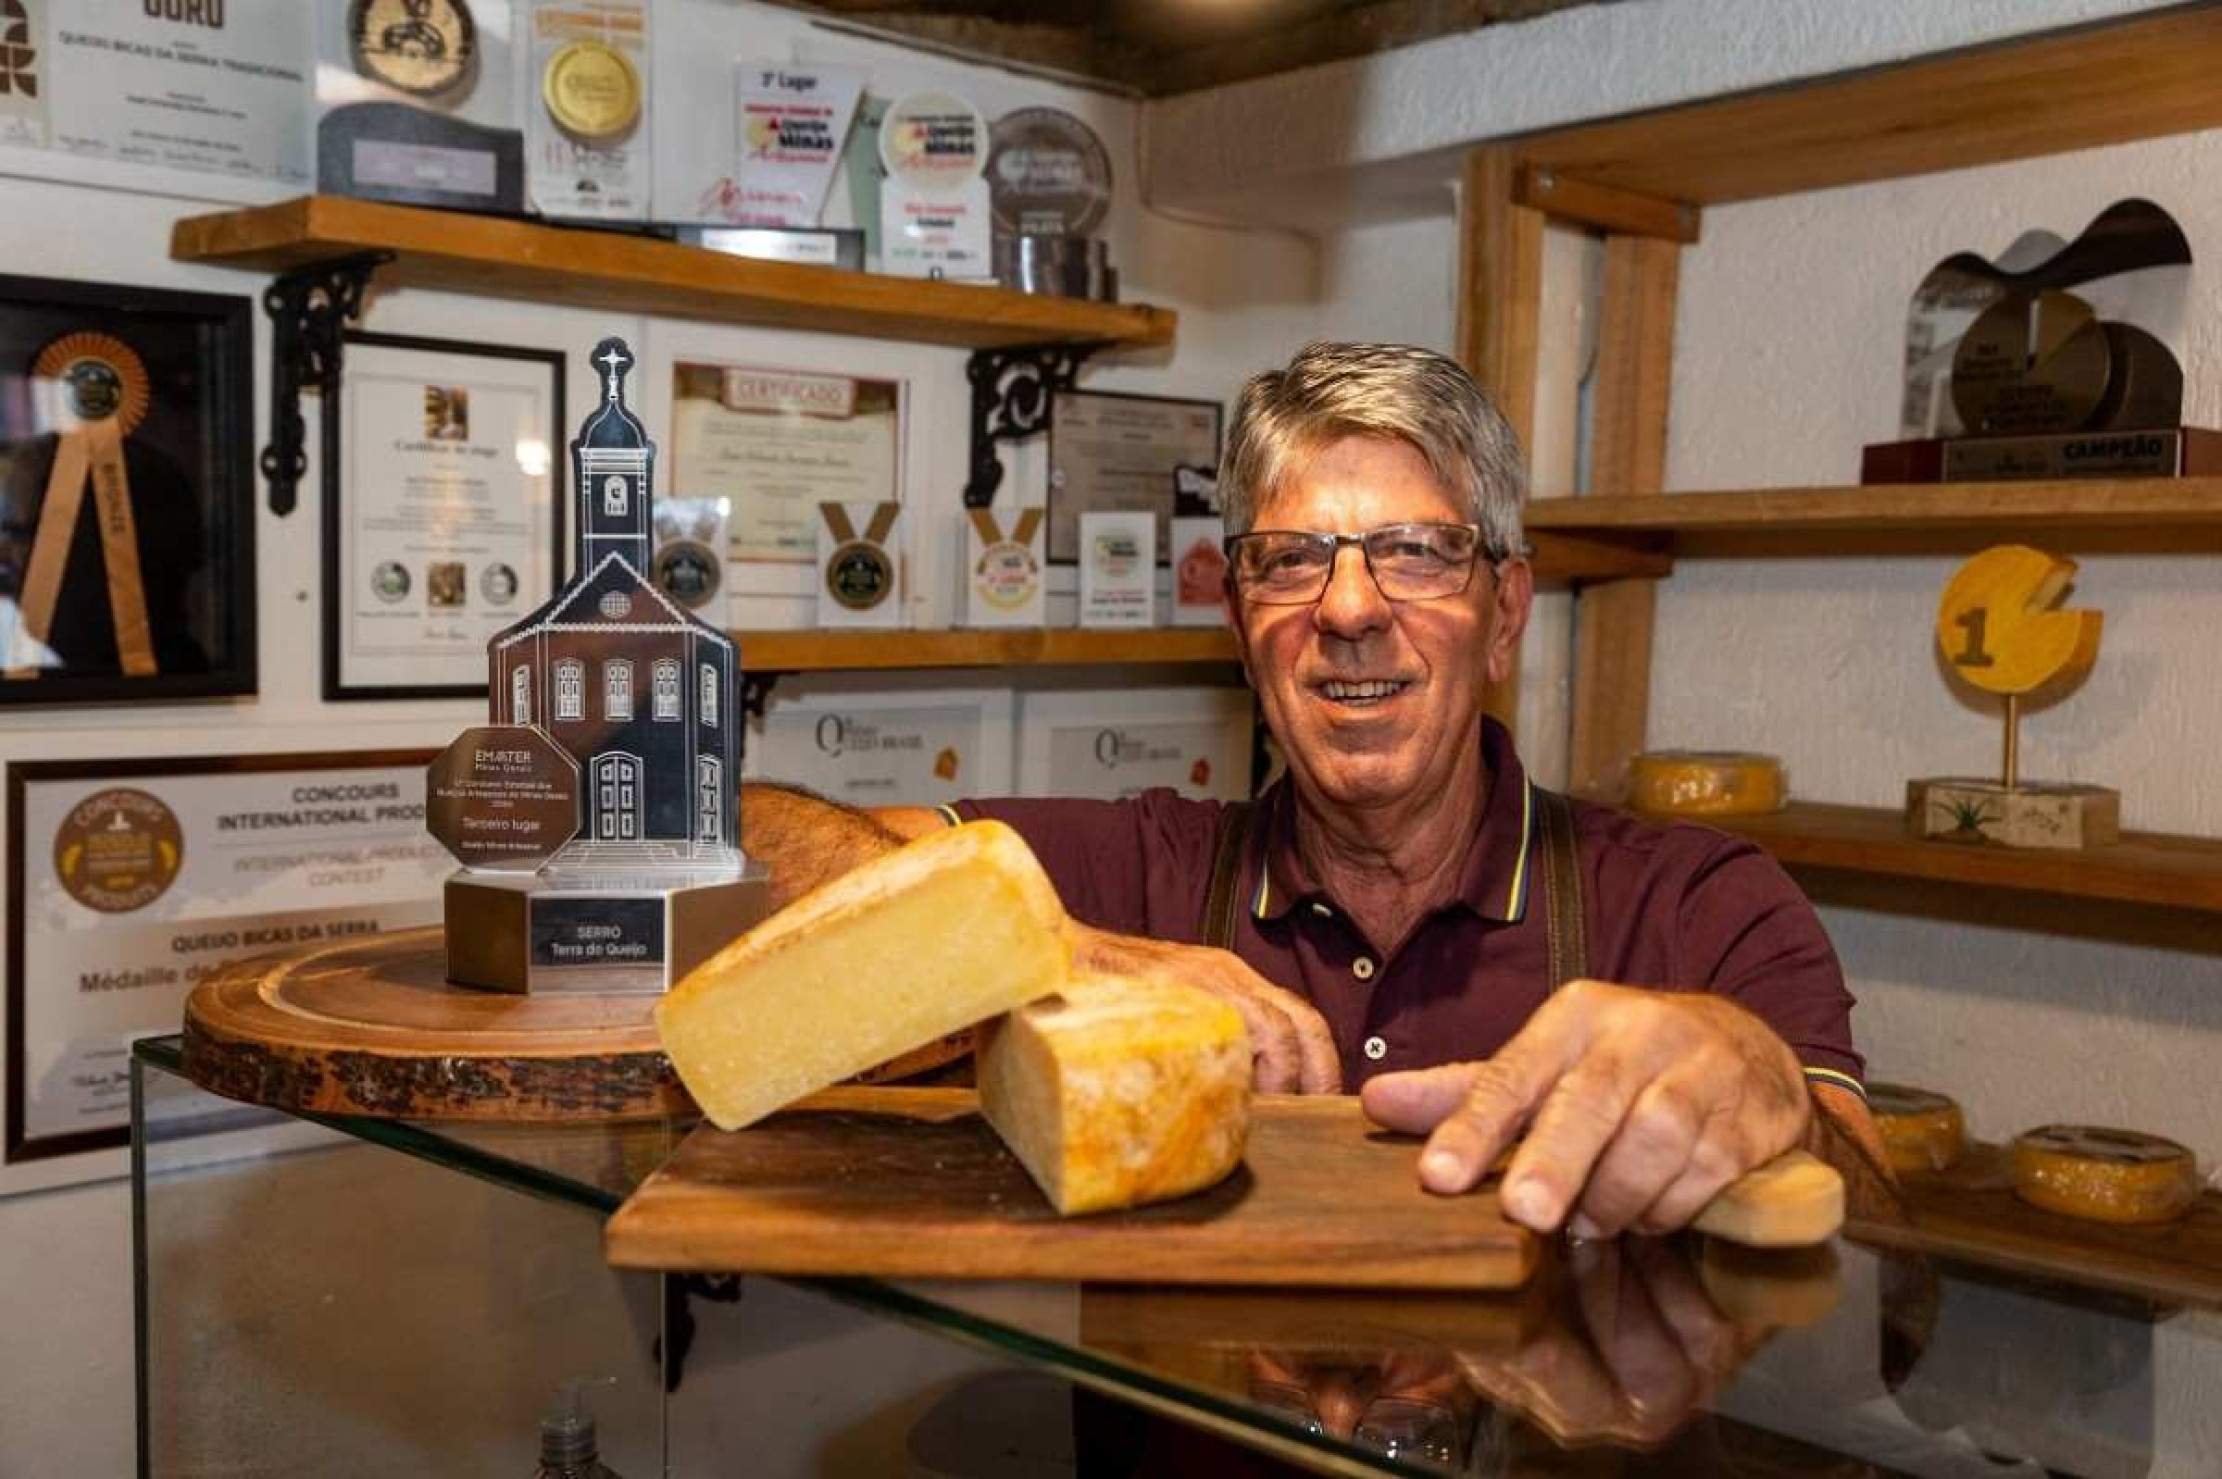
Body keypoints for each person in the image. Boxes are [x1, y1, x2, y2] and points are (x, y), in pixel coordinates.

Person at [743, 341, 1887, 1240]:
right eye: (1289, 561)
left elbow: (1877, 1249)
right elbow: (742, 850)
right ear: (1241, 626)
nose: (1345, 610)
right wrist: (1064, 952)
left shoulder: (1695, 906)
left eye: (1417, 552)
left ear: (1504, 615)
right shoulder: (1142, 872)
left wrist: (1760, 1087)